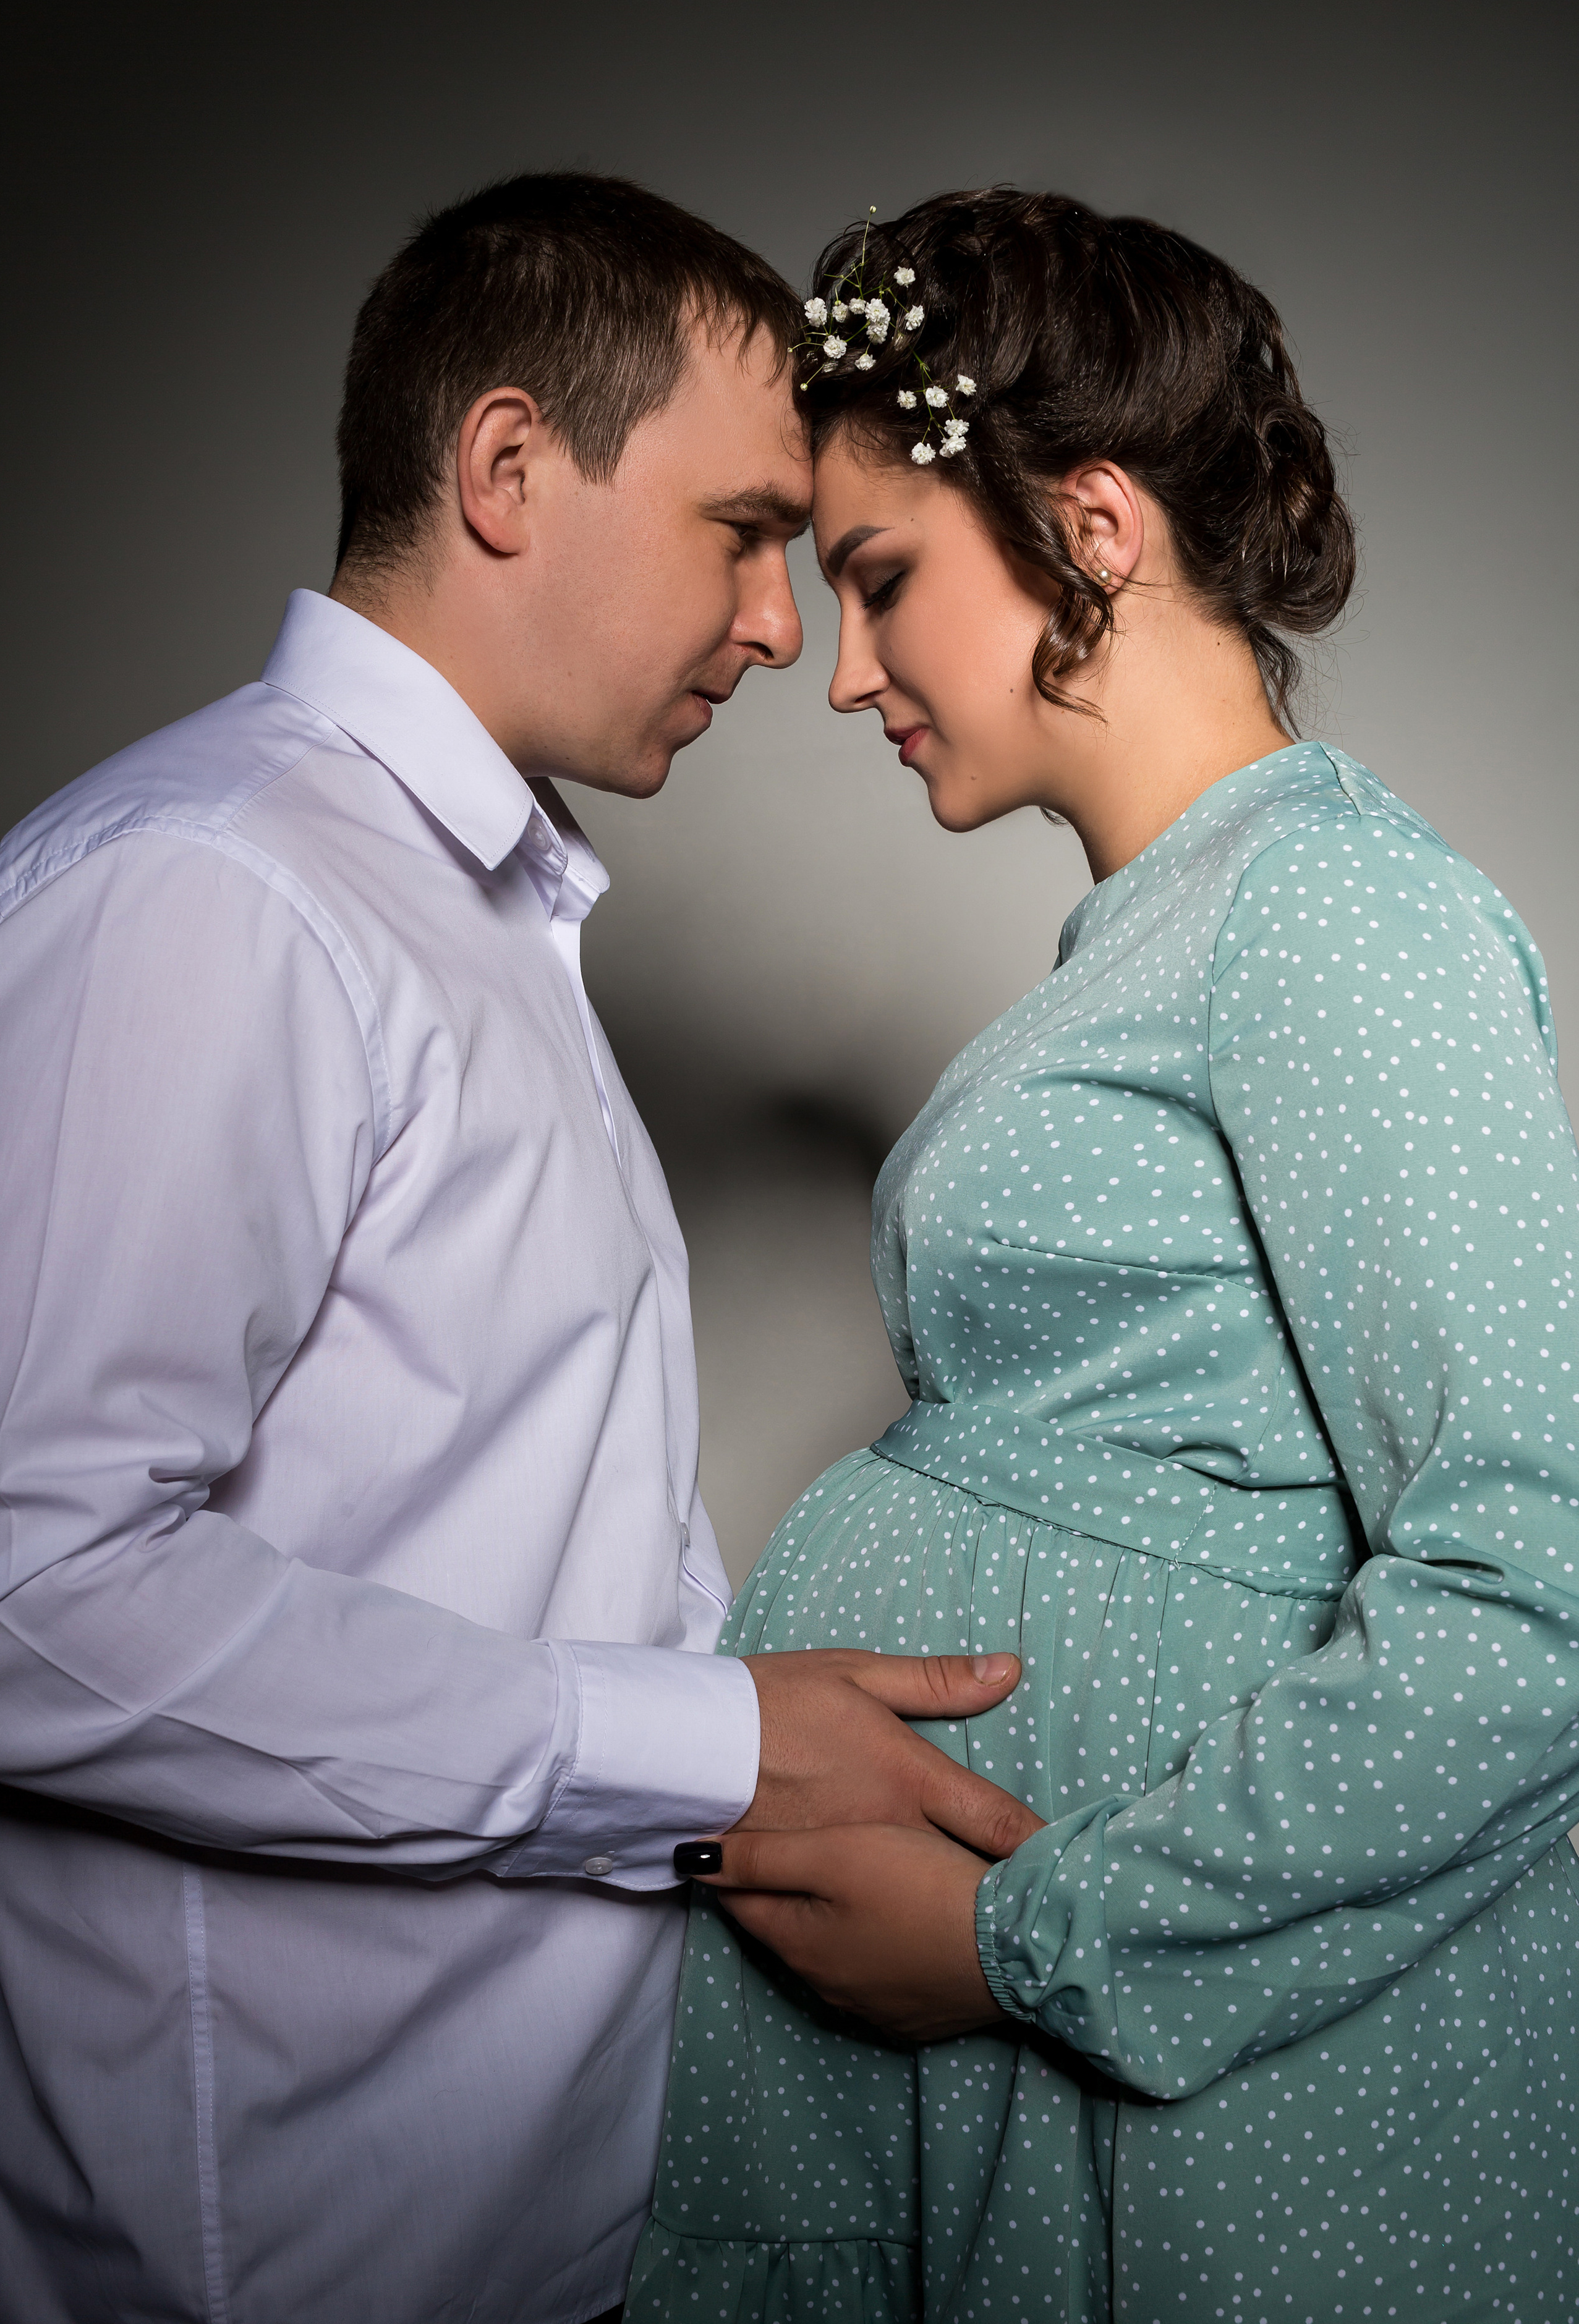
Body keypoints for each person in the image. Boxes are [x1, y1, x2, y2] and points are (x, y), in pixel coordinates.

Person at [0, 174, 1042, 2324]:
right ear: (502, 469)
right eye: (743, 530)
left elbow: (481, 1519)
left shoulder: (474, 915)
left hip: (544, 2235)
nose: (781, 626)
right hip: (276, 2270)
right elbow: (31, 1592)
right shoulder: (216, 893)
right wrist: (710, 1751)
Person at [629, 189, 1579, 2322]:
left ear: (1094, 526)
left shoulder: (1334, 911)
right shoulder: (1167, 925)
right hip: (1069, 2082)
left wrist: (1012, 1943)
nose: (845, 668)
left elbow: (1546, 1579)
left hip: (1224, 2111)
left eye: (880, 582)